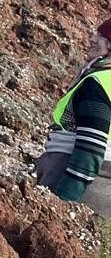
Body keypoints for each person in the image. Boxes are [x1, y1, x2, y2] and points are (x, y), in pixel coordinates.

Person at [36, 16, 111, 216]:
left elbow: (91, 148)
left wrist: (63, 202)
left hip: (79, 180)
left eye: (102, 36)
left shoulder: (98, 84)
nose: (93, 38)